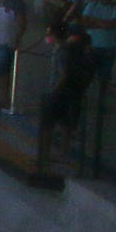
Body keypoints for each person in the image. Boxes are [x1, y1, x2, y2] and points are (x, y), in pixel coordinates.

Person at [37, 24, 97, 173]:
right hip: (73, 92)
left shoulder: (63, 51)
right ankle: (63, 153)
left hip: (59, 93)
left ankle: (44, 155)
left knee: (48, 123)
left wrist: (55, 90)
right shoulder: (80, 51)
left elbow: (63, 74)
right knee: (65, 123)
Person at [79, 0, 116, 92]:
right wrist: (103, 24)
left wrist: (94, 21)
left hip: (108, 48)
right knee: (88, 74)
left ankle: (101, 100)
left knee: (104, 78)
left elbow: (111, 25)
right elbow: (84, 23)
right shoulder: (91, 5)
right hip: (92, 47)